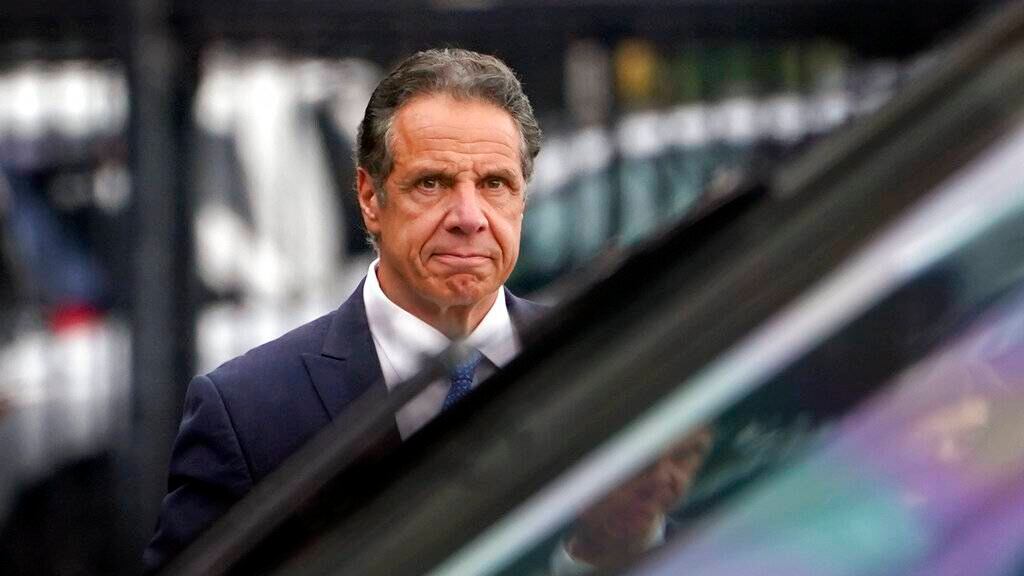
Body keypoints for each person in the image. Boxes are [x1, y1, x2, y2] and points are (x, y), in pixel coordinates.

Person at [143, 48, 546, 572]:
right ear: (370, 198)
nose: (469, 217)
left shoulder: (600, 353)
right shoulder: (247, 413)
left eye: (495, 184)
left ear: (522, 197)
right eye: (432, 183)